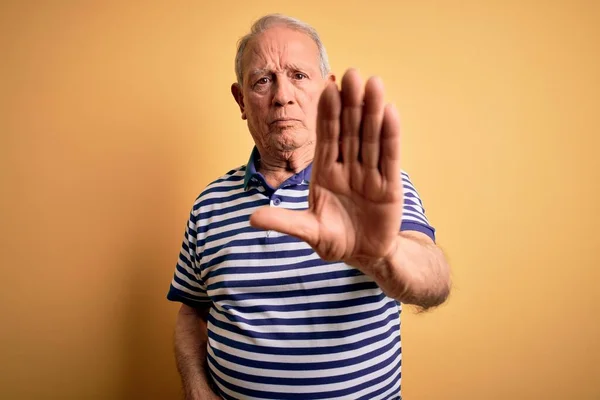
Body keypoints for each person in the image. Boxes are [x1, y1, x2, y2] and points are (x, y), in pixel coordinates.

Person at [166, 13, 451, 400]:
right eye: (263, 80)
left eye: (299, 75)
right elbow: (190, 311)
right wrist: (197, 389)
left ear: (328, 92)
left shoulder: (371, 188)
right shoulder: (209, 203)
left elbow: (435, 282)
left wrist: (382, 256)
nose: (283, 95)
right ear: (242, 100)